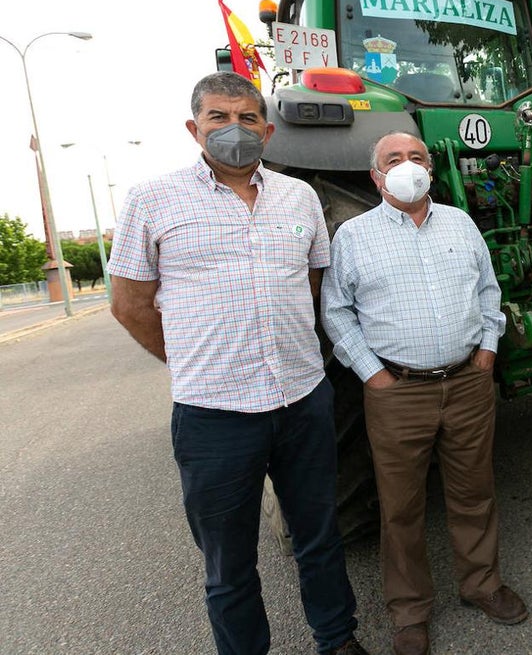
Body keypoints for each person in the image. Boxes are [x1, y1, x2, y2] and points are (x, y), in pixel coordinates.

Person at [106, 72, 369, 655]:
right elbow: (129, 305)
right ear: (193, 128)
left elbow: (310, 285)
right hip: (214, 416)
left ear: (268, 130)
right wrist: (199, 363)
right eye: (219, 118)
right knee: (228, 562)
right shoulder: (152, 199)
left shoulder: (299, 197)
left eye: (247, 118)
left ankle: (337, 637)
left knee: (320, 537)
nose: (234, 129)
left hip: (303, 400)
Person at [321, 132, 526, 655]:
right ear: (376, 176)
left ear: (431, 169)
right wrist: (372, 374)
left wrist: (487, 351)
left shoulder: (460, 223)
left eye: (416, 158)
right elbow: (337, 310)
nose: (407, 166)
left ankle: (482, 584)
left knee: (474, 492)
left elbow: (488, 290)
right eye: (394, 159)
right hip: (397, 391)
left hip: (467, 381)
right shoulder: (353, 235)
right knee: (401, 507)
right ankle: (410, 612)